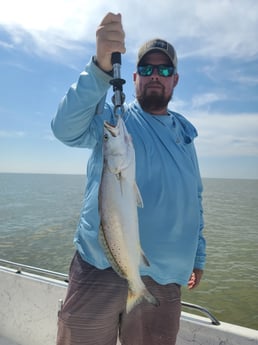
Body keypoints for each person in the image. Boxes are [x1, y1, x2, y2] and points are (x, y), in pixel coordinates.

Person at [52, 12, 206, 345]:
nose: (155, 75)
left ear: (175, 80)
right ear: (134, 77)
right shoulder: (114, 121)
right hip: (99, 268)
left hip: (163, 277)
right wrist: (100, 68)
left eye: (164, 70)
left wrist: (198, 256)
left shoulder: (185, 135)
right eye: (147, 69)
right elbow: (64, 128)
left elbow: (194, 199)